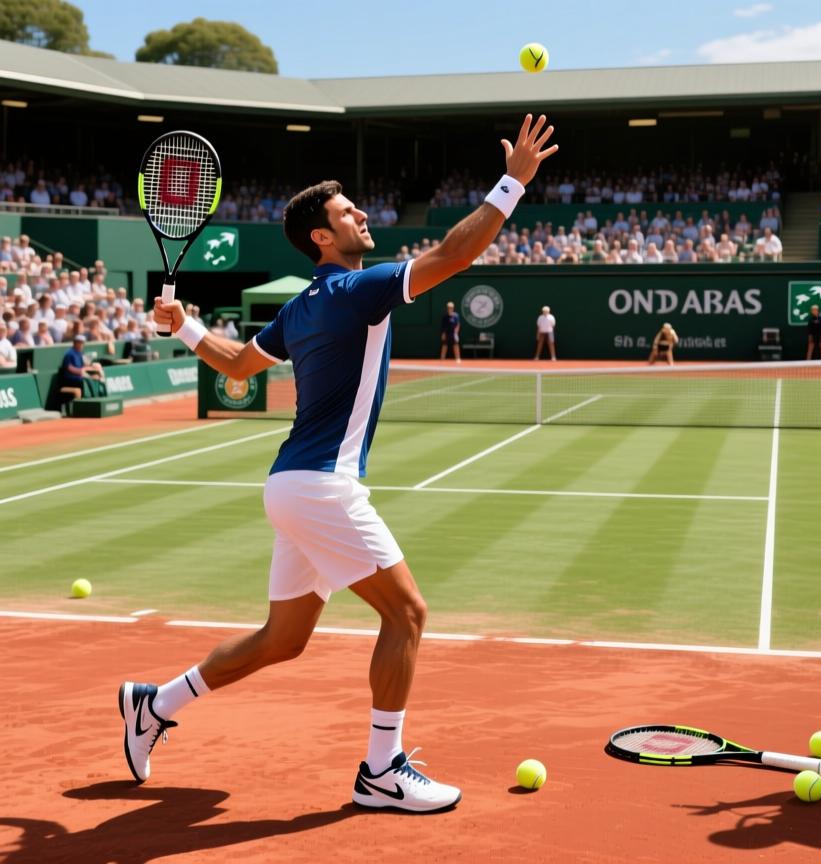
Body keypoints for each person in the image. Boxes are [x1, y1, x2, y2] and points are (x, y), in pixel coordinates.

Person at [119, 113, 557, 813]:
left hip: (291, 484)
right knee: (407, 614)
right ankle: (381, 771)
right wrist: (512, 184)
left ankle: (154, 703)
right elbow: (453, 255)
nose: (359, 212)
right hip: (321, 485)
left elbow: (235, 365)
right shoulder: (358, 288)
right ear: (322, 236)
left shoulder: (299, 307)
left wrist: (187, 326)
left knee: (283, 639)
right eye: (345, 210)